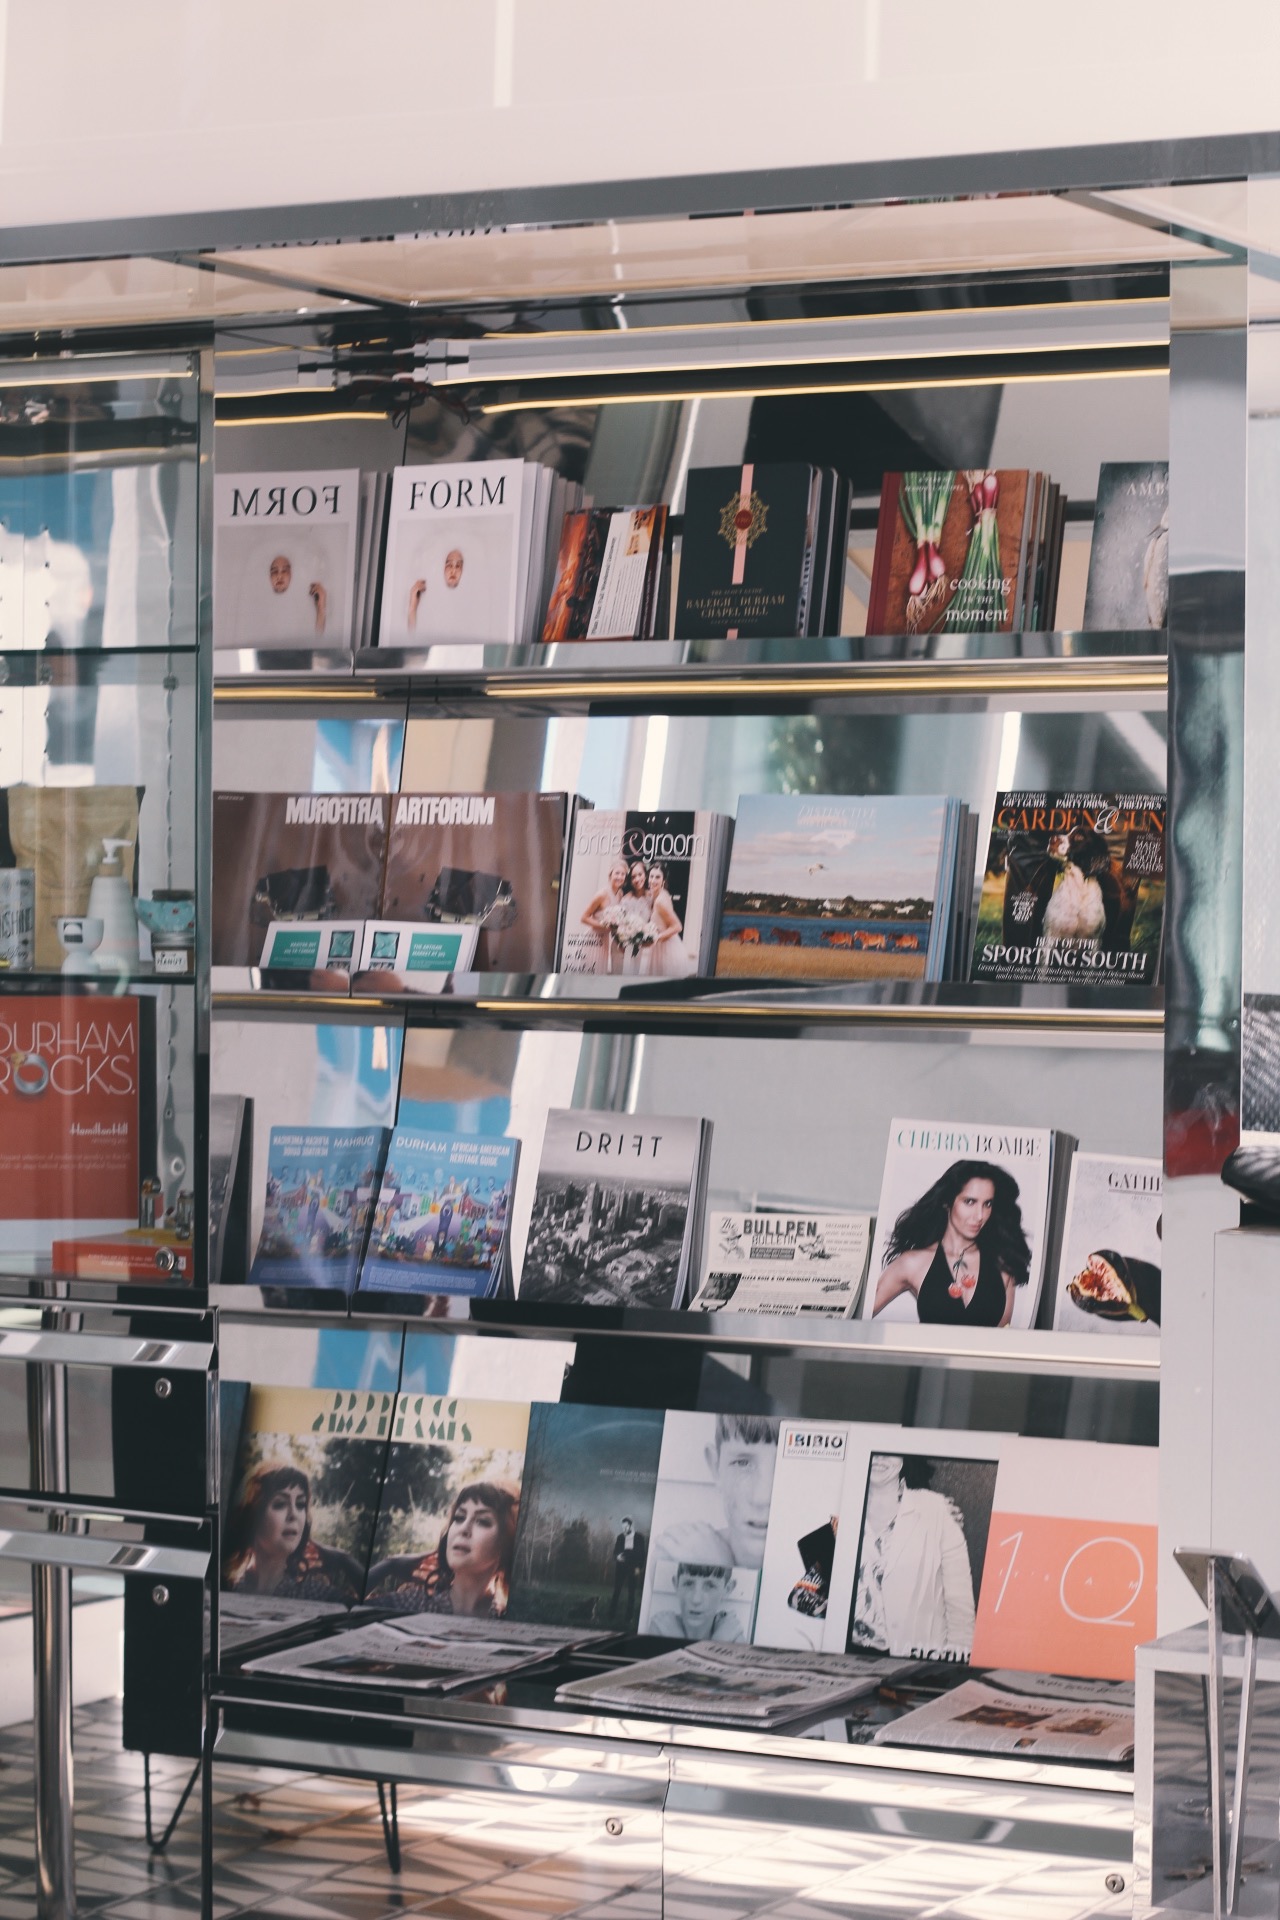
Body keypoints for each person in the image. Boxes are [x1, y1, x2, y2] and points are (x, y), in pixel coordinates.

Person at [871, 1159, 1031, 1329]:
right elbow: (857, 1317)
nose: (979, 1216)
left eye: (987, 1204)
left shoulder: (1003, 1264)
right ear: (947, 1202)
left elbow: (1003, 1341)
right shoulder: (913, 1262)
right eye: (970, 1202)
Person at [850, 1454, 976, 1660]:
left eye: (891, 1450)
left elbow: (959, 1600)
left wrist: (958, 1657)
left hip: (917, 1659)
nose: (880, 1457)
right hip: (848, 1655)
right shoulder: (838, 1507)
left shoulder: (936, 1509)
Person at [364, 1480, 519, 1616]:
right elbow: (344, 1610)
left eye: (482, 1521)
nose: (463, 1529)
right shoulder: (412, 1604)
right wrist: (388, 1566)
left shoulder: (507, 1617)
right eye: (459, 1518)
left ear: (506, 1542)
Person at [653, 1414, 780, 1573]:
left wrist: (719, 1569)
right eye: (742, 1463)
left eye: (785, 1466)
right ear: (715, 1467)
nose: (762, 1498)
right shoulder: (676, 1555)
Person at [223, 1465, 362, 1603]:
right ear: (253, 1517)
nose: (294, 1514)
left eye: (300, 1504)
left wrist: (345, 1559)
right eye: (280, 1504)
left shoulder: (313, 1594)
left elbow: (372, 1610)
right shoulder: (227, 1585)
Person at [648, 1562, 744, 1641]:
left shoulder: (731, 1632)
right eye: (688, 1584)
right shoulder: (662, 1627)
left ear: (727, 1589)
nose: (696, 1599)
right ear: (676, 1584)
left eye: (710, 1586)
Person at [640, 860, 695, 978]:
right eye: (651, 876)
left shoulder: (660, 901)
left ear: (663, 880)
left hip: (667, 950)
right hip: (659, 948)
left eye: (658, 877)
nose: (653, 880)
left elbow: (677, 926)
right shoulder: (658, 894)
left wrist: (655, 938)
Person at [579, 857, 630, 973]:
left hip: (605, 941)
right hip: (593, 939)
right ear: (610, 874)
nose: (620, 877)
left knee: (600, 972)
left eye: (623, 874)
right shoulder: (602, 894)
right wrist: (605, 926)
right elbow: (584, 918)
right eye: (617, 873)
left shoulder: (620, 894)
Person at [609, 1515, 646, 1620]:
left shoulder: (639, 1538)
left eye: (626, 1527)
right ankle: (611, 1615)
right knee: (616, 1591)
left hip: (633, 1568)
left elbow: (642, 1554)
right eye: (623, 1527)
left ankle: (628, 1618)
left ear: (631, 1526)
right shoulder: (620, 1537)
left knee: (632, 1593)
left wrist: (639, 1568)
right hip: (620, 1568)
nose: (624, 1529)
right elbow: (615, 1553)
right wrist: (617, 1557)